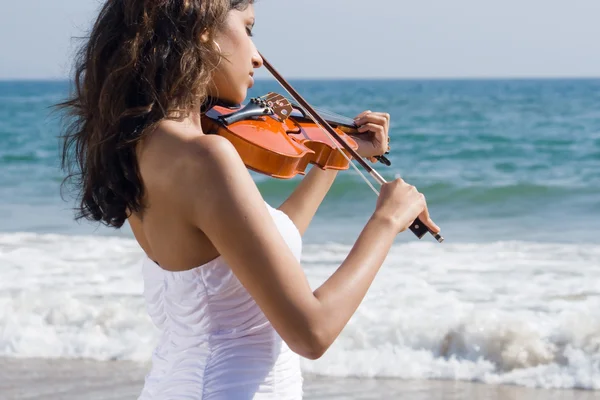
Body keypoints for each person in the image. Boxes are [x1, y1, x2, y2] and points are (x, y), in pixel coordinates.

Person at [57, 0, 440, 398]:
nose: (257, 57)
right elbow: (313, 332)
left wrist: (337, 151)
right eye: (248, 28)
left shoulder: (143, 147)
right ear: (202, 30)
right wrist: (386, 221)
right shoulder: (207, 156)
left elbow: (263, 241)